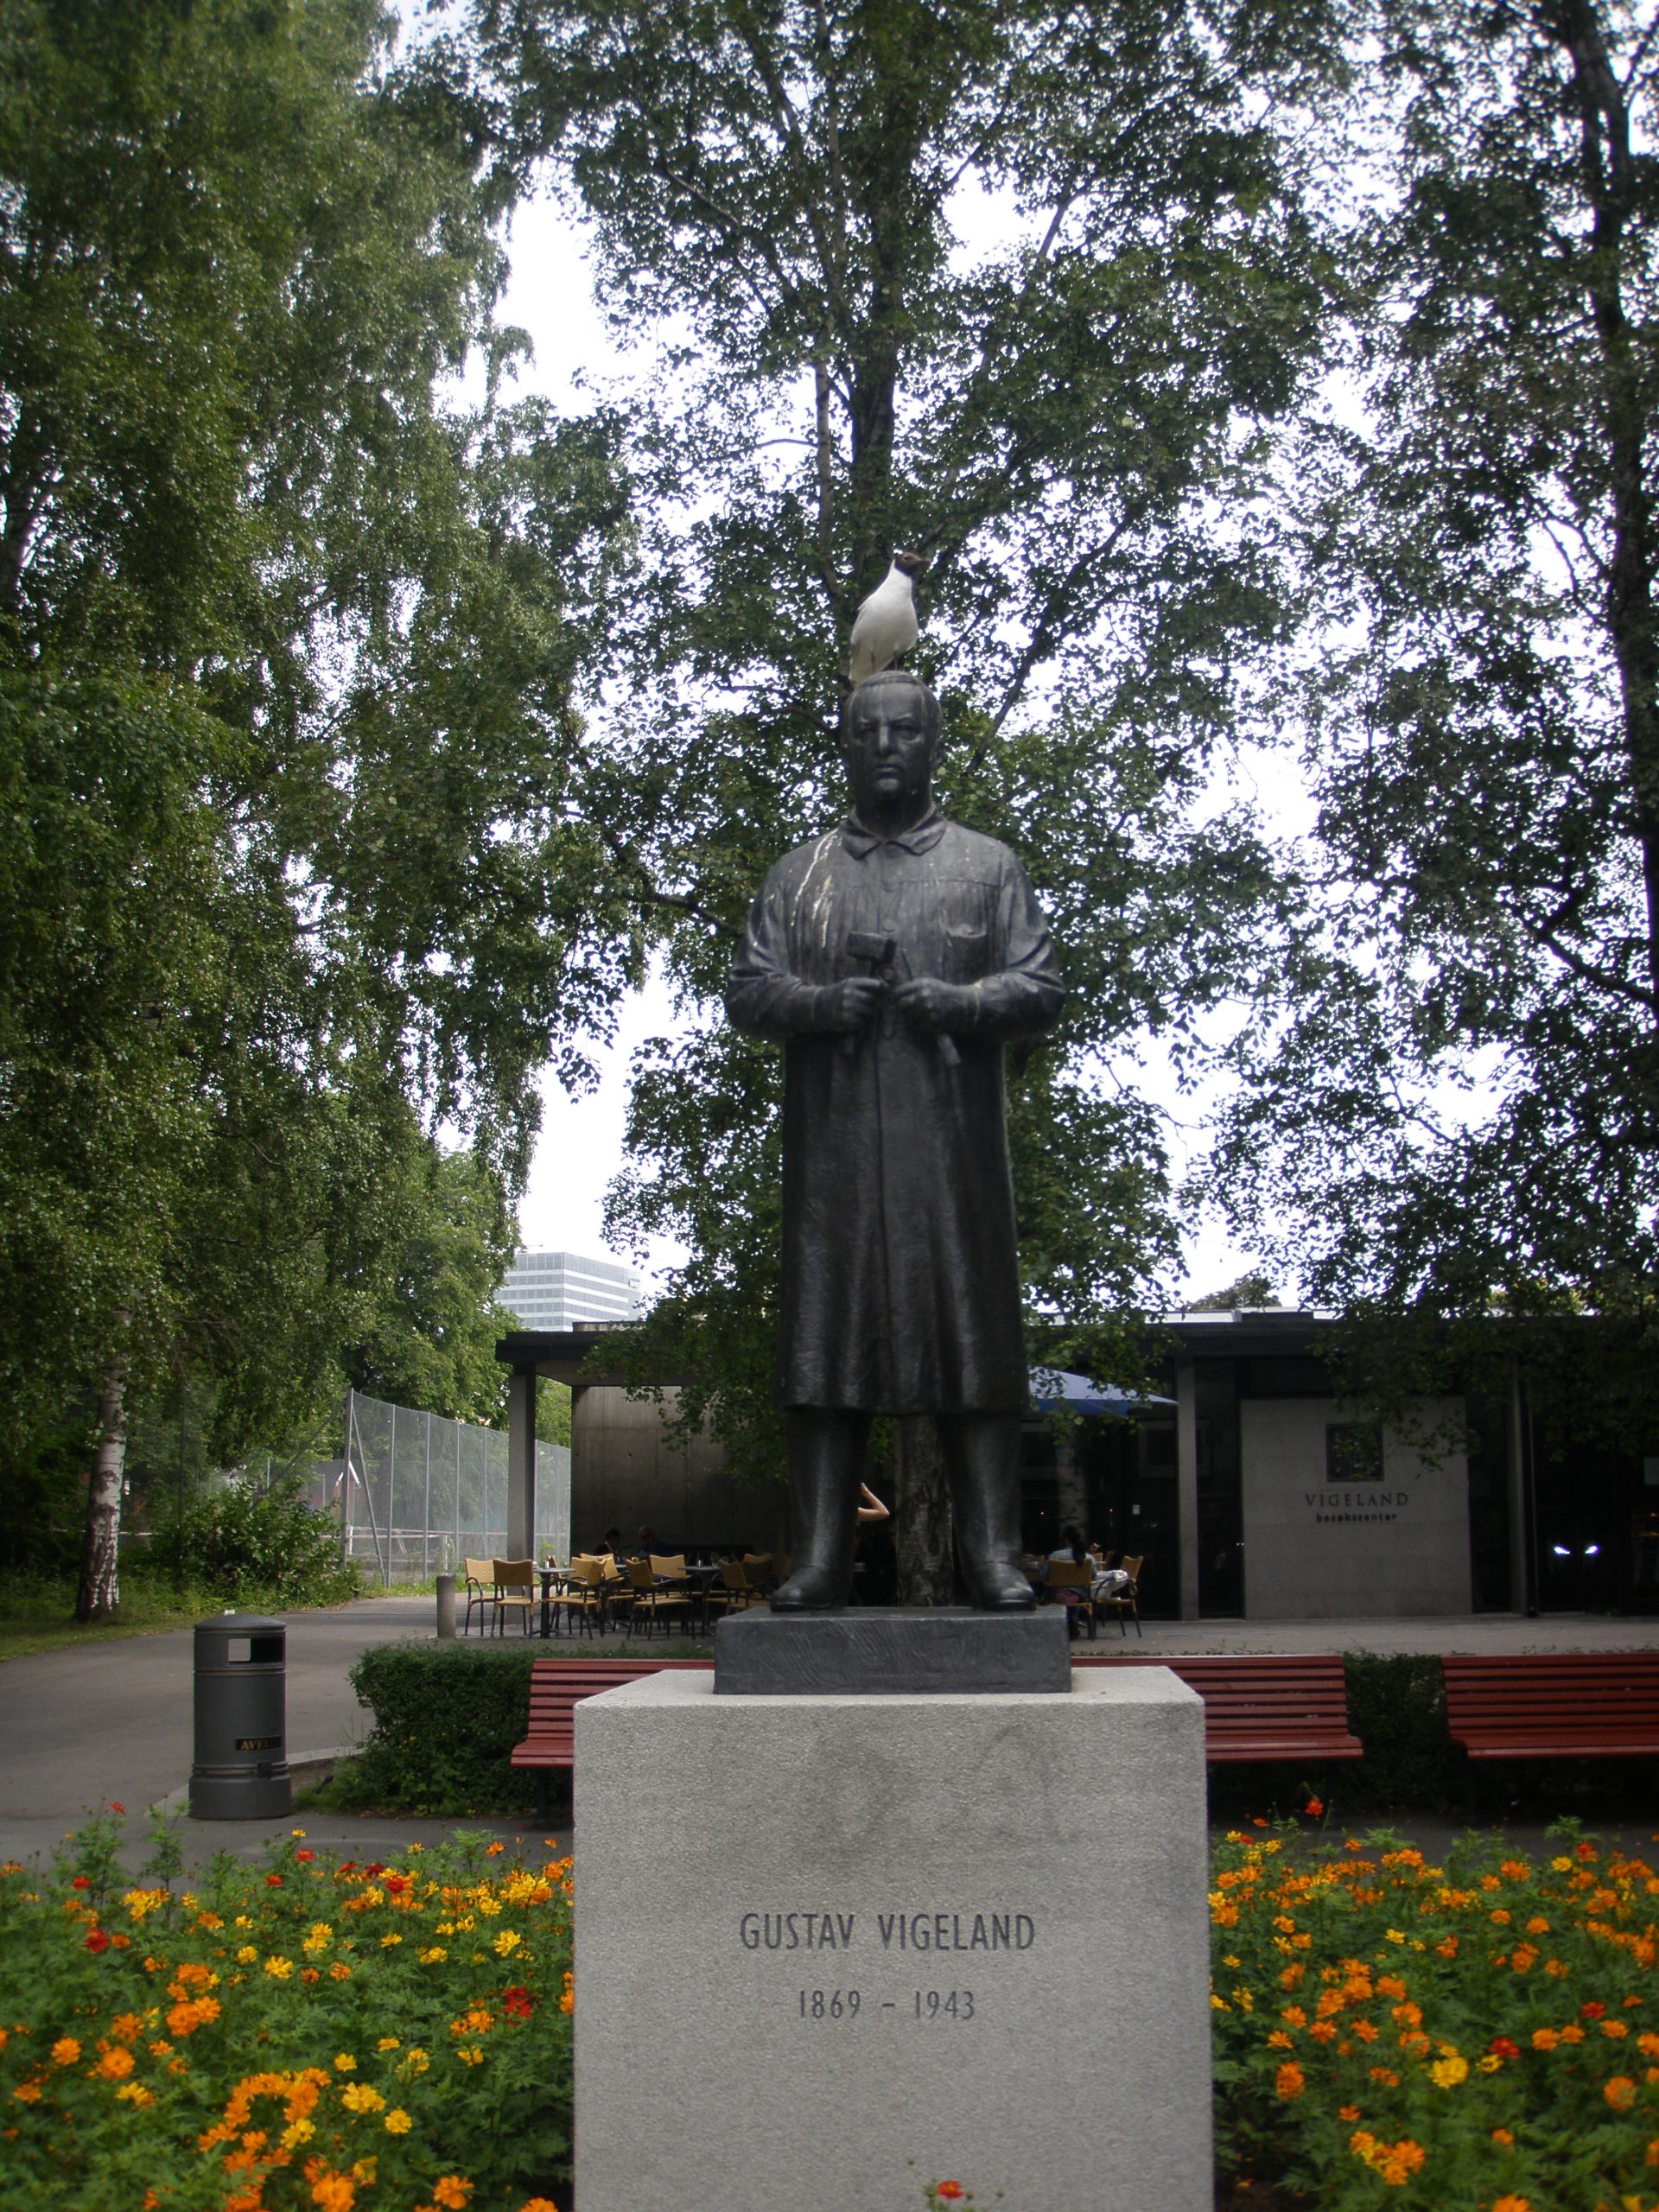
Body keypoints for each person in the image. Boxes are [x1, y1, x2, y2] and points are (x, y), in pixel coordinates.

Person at [725, 667, 1064, 1610]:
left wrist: (959, 1001)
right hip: (835, 1170)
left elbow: (1042, 988)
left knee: (975, 1348)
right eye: (867, 732)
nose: (885, 747)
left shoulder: (988, 868)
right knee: (825, 1354)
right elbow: (748, 991)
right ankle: (822, 1558)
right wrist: (824, 1003)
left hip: (953, 1171)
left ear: (933, 745)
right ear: (844, 746)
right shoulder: (799, 878)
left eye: (904, 732)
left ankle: (990, 1555)